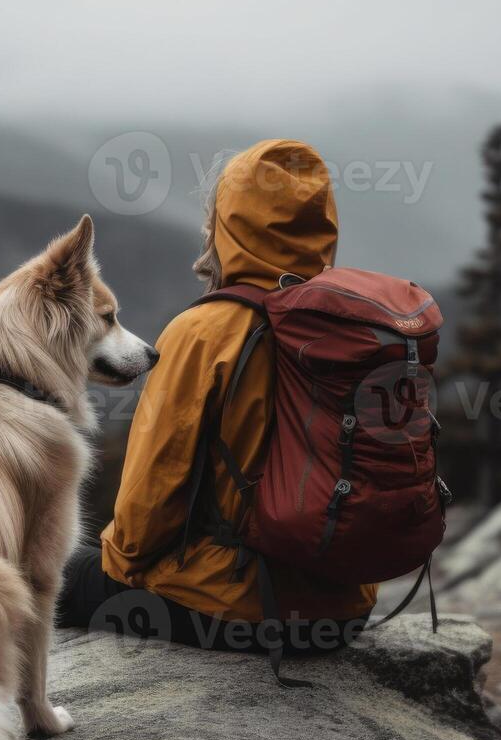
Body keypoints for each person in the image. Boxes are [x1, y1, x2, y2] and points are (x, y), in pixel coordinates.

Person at [56, 140, 376, 655]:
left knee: (49, 566)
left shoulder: (204, 332)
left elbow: (146, 514)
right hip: (344, 610)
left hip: (234, 611)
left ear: (228, 225)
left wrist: (112, 568)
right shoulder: (359, 325)